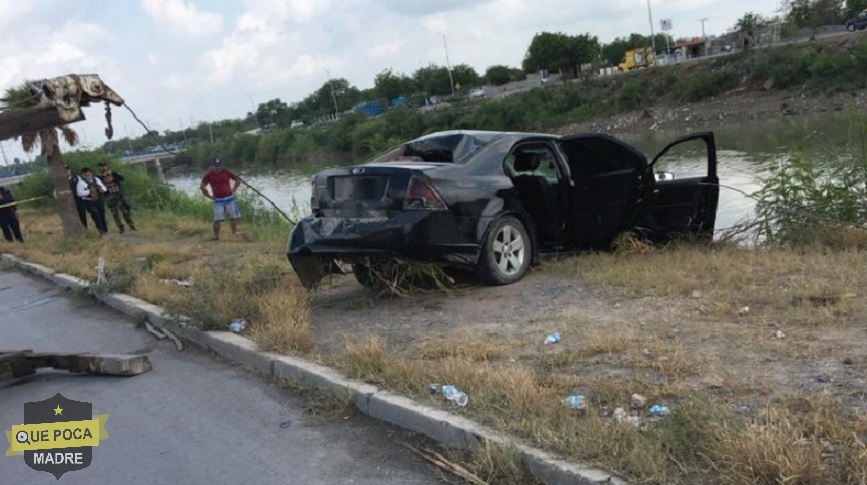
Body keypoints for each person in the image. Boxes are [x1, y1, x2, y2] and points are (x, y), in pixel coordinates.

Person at [200, 158, 243, 240]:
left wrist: (233, 189)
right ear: (212, 166)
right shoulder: (209, 175)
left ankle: (233, 235)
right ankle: (216, 236)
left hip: (229, 198)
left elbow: (238, 179)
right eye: (215, 166)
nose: (217, 167)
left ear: (221, 165)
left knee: (234, 217)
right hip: (218, 200)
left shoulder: (226, 171)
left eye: (219, 165)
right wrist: (209, 196)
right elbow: (202, 187)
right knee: (217, 219)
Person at [97, 161, 136, 233]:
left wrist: (113, 177)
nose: (103, 167)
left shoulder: (113, 173)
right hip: (109, 196)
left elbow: (122, 178)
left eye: (104, 165)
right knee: (115, 214)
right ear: (99, 167)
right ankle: (121, 228)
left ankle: (131, 226)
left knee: (125, 211)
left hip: (118, 195)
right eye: (101, 166)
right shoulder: (99, 177)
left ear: (107, 166)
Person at [76, 167, 108, 235]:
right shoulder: (81, 182)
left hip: (99, 200)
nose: (88, 175)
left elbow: (104, 188)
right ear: (83, 175)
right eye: (86, 174)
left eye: (89, 173)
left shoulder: (96, 179)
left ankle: (105, 230)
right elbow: (79, 193)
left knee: (102, 215)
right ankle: (101, 230)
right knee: (96, 216)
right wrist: (89, 191)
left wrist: (100, 189)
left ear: (91, 173)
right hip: (89, 201)